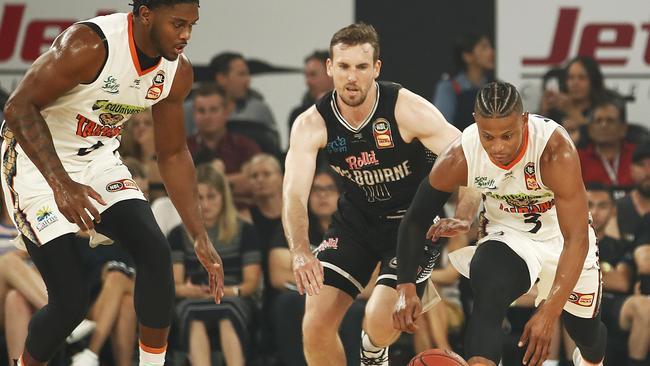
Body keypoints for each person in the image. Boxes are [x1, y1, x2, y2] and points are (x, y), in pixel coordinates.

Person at [1, 1, 225, 365]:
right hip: (35, 162)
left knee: (155, 252)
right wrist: (61, 184)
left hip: (98, 158)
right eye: (178, 24)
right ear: (146, 14)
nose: (186, 35)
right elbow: (18, 108)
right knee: (69, 303)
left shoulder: (176, 72)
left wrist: (198, 234)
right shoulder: (89, 45)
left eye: (192, 26)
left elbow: (171, 154)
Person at [282, 22, 461, 366]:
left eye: (362, 67)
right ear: (330, 68)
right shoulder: (312, 124)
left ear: (376, 69)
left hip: (411, 224)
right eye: (344, 67)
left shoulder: (406, 108)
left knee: (379, 320)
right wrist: (301, 251)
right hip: (355, 222)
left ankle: (374, 350)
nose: (352, 77)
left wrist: (466, 211)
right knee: (315, 326)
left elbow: (465, 156)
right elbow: (292, 194)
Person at [393, 81, 608, 366]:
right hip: (508, 232)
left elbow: (576, 238)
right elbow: (415, 219)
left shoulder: (555, 150)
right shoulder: (461, 153)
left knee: (586, 334)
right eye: (488, 136)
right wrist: (406, 284)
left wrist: (548, 312)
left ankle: (590, 358)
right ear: (475, 123)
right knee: (488, 291)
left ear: (524, 120)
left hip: (563, 237)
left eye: (507, 135)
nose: (498, 147)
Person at [170, 164, 262, 366]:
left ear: (224, 197)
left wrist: (224, 292)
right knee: (191, 313)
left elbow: (250, 285)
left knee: (228, 312)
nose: (205, 204)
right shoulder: (178, 235)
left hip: (233, 296)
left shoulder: (246, 231)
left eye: (211, 196)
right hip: (194, 297)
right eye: (199, 198)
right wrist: (189, 290)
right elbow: (175, 285)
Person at [432, 33, 494, 131]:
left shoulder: (497, 87)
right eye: (484, 48)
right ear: (467, 56)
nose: (491, 52)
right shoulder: (449, 87)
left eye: (490, 47)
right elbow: (442, 128)